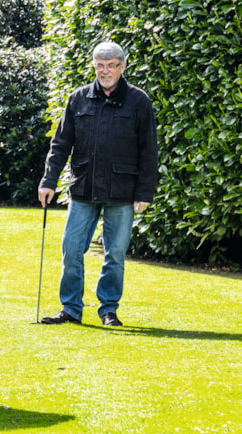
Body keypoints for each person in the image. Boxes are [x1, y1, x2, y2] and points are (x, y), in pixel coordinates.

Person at [38, 40, 158, 327]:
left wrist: (145, 192)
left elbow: (148, 150)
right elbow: (60, 144)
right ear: (94, 66)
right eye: (100, 65)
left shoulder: (139, 101)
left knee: (114, 254)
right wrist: (48, 181)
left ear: (123, 66)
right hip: (83, 188)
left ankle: (108, 310)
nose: (105, 71)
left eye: (112, 65)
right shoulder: (78, 98)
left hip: (122, 191)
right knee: (71, 248)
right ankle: (70, 309)